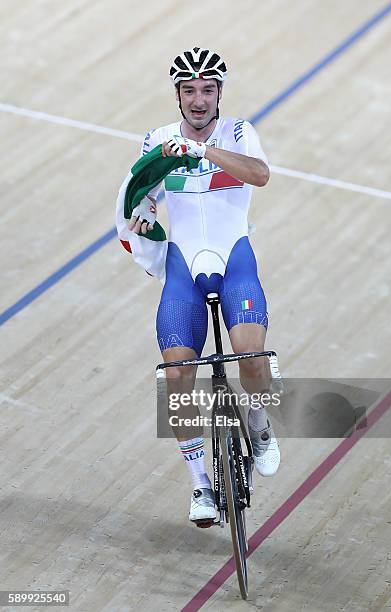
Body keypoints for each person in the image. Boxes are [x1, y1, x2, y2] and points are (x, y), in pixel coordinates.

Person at [118, 47, 281, 525]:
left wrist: (202, 150)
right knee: (176, 375)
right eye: (189, 91)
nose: (198, 99)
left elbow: (261, 176)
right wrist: (142, 218)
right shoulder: (157, 139)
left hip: (234, 261)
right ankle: (201, 487)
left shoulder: (238, 133)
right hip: (184, 268)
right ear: (177, 95)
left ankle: (260, 426)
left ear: (219, 94)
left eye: (207, 90)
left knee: (252, 357)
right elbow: (136, 193)